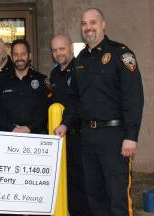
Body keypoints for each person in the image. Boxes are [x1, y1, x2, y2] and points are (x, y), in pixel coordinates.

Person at [55, 8, 144, 215]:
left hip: (115, 136)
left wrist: (131, 136)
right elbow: (74, 99)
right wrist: (65, 123)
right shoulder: (80, 60)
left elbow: (134, 98)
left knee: (118, 197)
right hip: (88, 137)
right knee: (94, 196)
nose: (88, 28)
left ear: (103, 25)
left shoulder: (121, 54)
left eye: (93, 22)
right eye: (84, 24)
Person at [50, 34, 92, 215]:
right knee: (66, 182)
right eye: (54, 50)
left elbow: (78, 103)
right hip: (60, 137)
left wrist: (66, 124)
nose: (58, 53)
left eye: (62, 48)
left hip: (78, 135)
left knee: (82, 183)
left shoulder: (81, 69)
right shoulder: (54, 74)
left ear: (71, 49)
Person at [0, 39, 50, 134]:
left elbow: (46, 108)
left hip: (35, 136)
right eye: (16, 54)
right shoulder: (2, 82)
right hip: (8, 135)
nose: (19, 58)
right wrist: (11, 128)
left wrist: (29, 127)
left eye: (23, 54)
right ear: (12, 57)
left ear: (29, 56)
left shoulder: (42, 80)